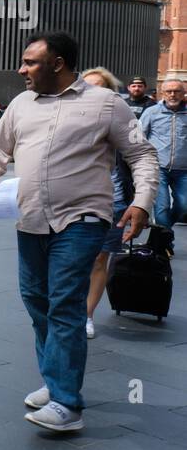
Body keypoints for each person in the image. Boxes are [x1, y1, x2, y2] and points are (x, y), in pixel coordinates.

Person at [0, 32, 157, 433]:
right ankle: (55, 378)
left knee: (64, 303)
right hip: (30, 218)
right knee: (37, 300)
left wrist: (142, 201)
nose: (21, 69)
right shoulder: (21, 104)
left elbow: (141, 153)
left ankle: (67, 404)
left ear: (57, 63)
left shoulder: (105, 103)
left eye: (30, 62)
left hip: (84, 219)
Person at [79, 68, 132, 340]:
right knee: (71, 260)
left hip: (113, 199)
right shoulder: (65, 117)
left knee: (101, 258)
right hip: (73, 201)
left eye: (99, 88)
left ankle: (86, 315)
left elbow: (141, 156)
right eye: (86, 87)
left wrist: (143, 202)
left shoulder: (122, 119)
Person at [139, 78, 187, 256]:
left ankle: (163, 231)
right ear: (162, 93)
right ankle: (165, 243)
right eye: (169, 91)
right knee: (162, 208)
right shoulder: (151, 112)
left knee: (184, 206)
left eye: (177, 91)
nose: (173, 94)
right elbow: (139, 138)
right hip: (158, 167)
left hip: (184, 170)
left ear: (183, 94)